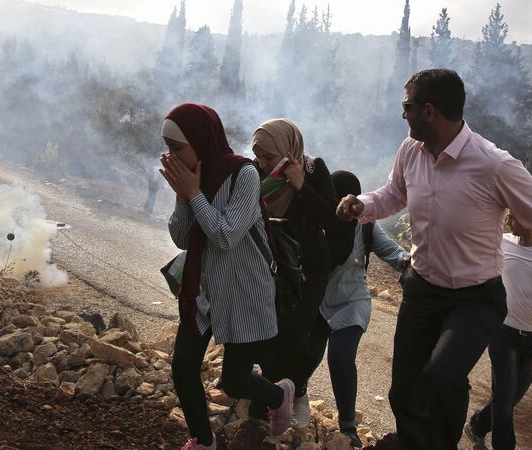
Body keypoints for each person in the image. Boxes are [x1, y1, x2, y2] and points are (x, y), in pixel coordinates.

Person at [336, 69, 532, 450]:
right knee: (403, 391)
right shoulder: (410, 152)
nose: (403, 114)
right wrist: (363, 205)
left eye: (408, 106)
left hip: (476, 297)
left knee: (442, 376)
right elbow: (393, 194)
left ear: (430, 111)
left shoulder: (494, 165)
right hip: (423, 290)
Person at [160, 103, 294, 450]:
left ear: (200, 141)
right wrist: (182, 197)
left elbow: (225, 236)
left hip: (243, 294)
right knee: (183, 368)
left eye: (177, 148)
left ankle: (279, 395)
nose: (171, 156)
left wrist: (193, 193)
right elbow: (180, 236)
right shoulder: (195, 176)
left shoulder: (243, 175)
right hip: (204, 291)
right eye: (167, 148)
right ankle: (204, 441)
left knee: (233, 382)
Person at [246, 118, 337, 429]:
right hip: (273, 264)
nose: (262, 163)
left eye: (269, 157)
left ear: (288, 149)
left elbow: (331, 216)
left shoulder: (313, 170)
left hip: (310, 266)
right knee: (271, 331)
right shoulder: (255, 173)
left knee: (298, 332)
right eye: (258, 155)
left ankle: (296, 392)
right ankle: (266, 405)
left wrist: (300, 185)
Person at [308, 170, 411, 447]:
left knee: (340, 358)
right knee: (306, 357)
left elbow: (392, 251)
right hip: (316, 301)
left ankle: (348, 427)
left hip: (352, 301)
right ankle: (295, 401)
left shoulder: (365, 224)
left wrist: (410, 263)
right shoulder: (316, 221)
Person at [465, 212, 532, 450]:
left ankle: (478, 424)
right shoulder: (501, 241)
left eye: (515, 217)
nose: (509, 222)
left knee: (510, 399)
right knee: (505, 398)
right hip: (503, 331)